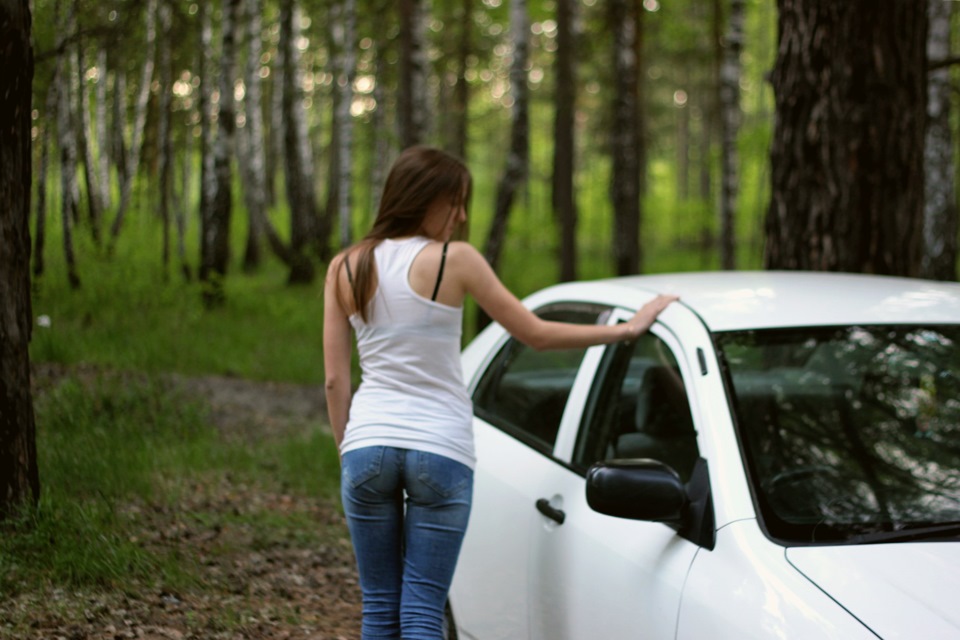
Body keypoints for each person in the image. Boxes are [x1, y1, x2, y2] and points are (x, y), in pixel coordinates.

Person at [323, 145, 677, 639]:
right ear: (422, 198)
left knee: (380, 607)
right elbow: (535, 333)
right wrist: (625, 330)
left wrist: (349, 450)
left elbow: (336, 380)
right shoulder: (455, 260)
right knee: (423, 609)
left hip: (367, 446)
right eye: (455, 202)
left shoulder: (346, 266)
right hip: (440, 449)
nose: (462, 216)